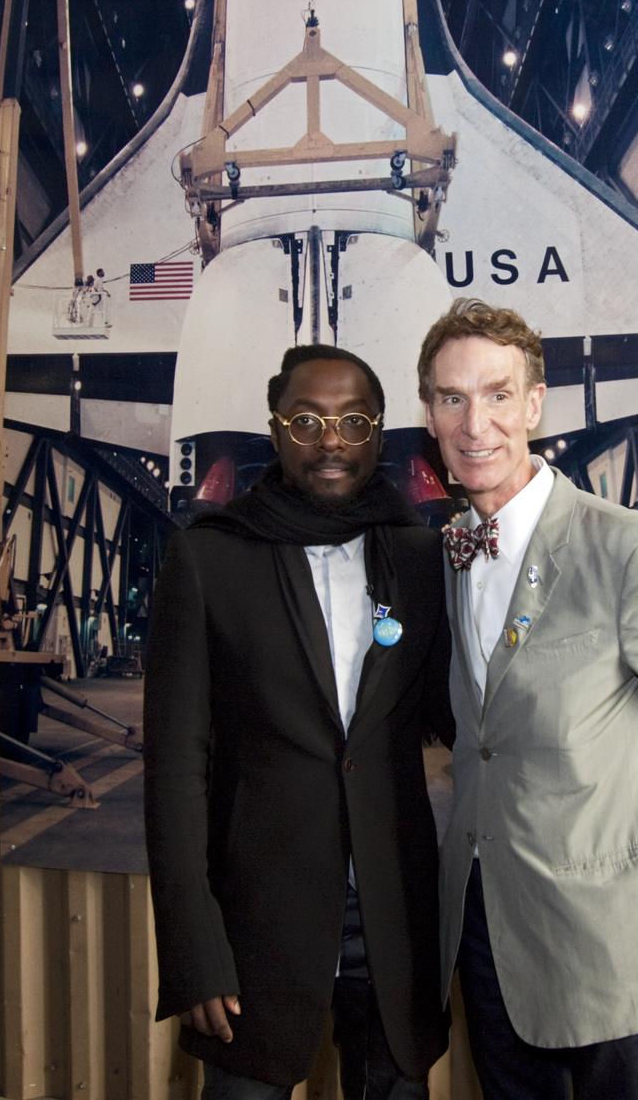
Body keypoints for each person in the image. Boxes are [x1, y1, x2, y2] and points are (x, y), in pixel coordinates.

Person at [416, 298, 638, 1100]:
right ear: (430, 417)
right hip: (485, 928)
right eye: (452, 398)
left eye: (498, 395)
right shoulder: (450, 552)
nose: (475, 424)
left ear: (534, 406)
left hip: (606, 936)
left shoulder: (624, 549)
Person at [144, 344, 454, 1100]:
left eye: (354, 421)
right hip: (257, 923)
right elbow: (176, 769)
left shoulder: (422, 558)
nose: (331, 441)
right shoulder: (210, 559)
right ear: (275, 431)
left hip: (393, 919)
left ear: (379, 434)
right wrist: (192, 946)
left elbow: (461, 719)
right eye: (308, 421)